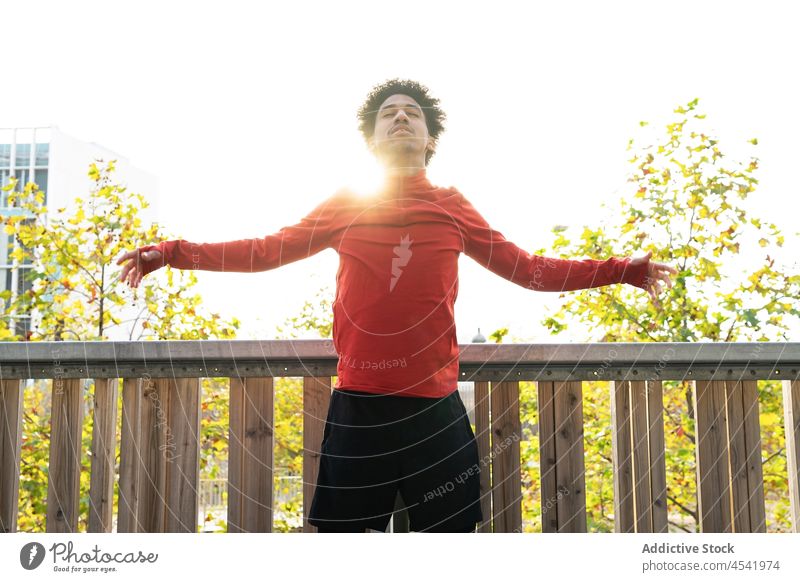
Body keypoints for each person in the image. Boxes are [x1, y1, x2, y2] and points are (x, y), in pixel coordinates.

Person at [117, 78, 677, 533]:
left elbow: (528, 270)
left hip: (437, 415)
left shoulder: (452, 206)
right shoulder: (347, 205)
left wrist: (623, 271)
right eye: (389, 113)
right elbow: (265, 251)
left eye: (412, 112)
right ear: (373, 141)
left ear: (430, 139)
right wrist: (171, 253)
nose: (401, 117)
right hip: (359, 411)